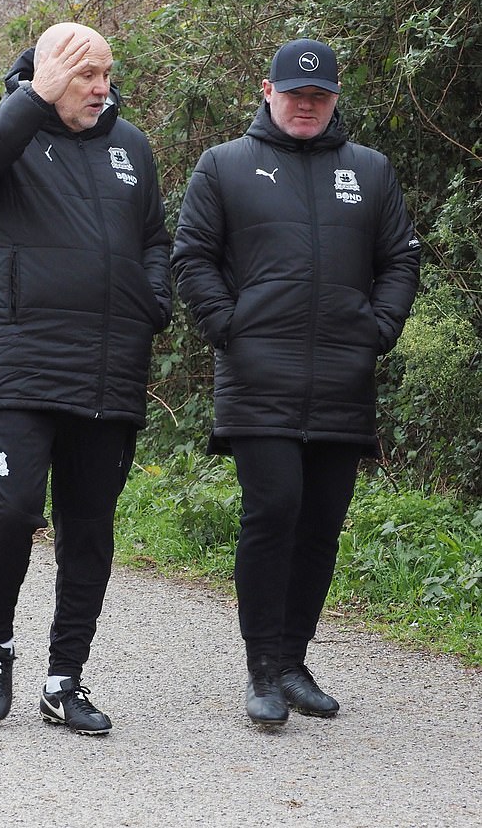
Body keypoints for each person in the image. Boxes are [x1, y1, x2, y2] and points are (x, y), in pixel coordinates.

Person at [171, 38, 420, 726]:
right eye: (294, 93)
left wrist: (377, 330)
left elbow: (400, 257)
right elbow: (192, 254)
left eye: (319, 96)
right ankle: (259, 669)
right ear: (266, 90)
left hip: (344, 378)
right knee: (273, 509)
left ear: (335, 99)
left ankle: (293, 663)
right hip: (259, 378)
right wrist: (230, 328)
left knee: (320, 525)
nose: (306, 106)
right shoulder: (224, 165)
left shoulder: (370, 170)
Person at [0, 22, 171, 733]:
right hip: (18, 364)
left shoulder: (130, 146)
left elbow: (155, 240)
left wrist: (150, 304)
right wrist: (33, 100)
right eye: (84, 74)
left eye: (106, 73)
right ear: (47, 73)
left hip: (107, 369)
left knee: (90, 532)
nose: (101, 88)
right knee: (10, 510)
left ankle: (64, 679)